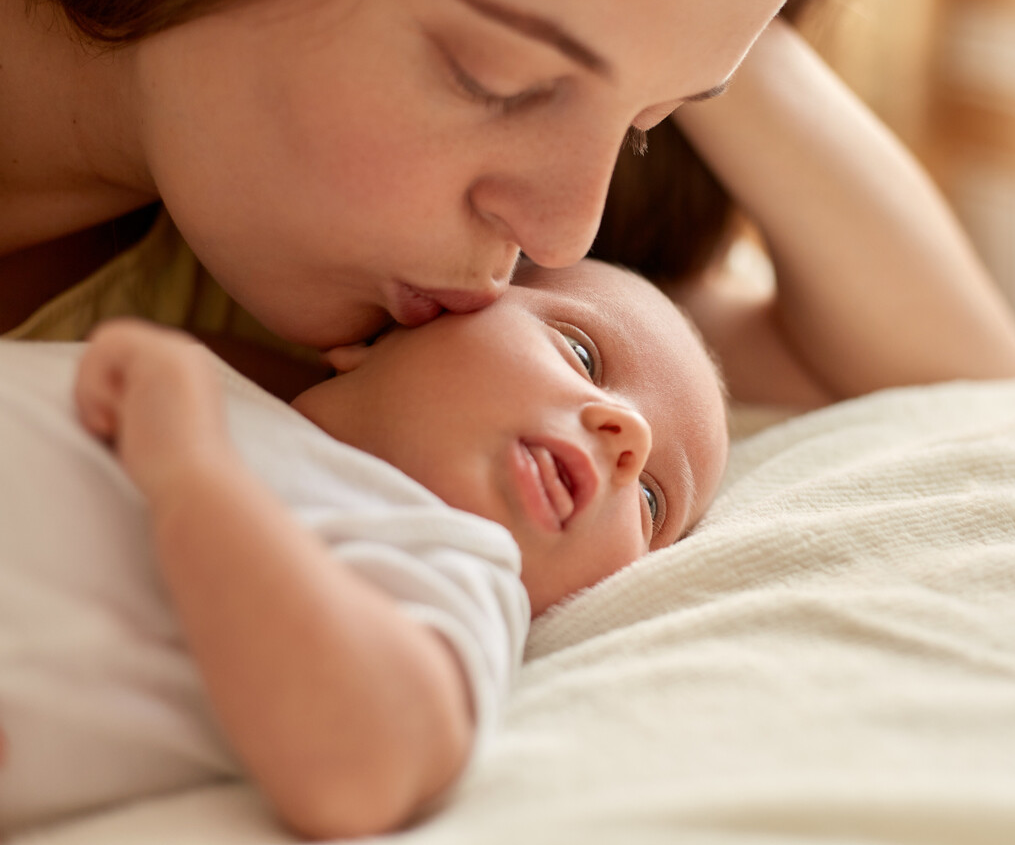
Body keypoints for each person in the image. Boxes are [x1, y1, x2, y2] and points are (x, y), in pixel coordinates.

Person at [2, 0, 1015, 409]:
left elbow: (950, 374)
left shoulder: (331, 299)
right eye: (500, 77)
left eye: (646, 123)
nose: (561, 235)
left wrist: (698, 10)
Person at [0, 258, 729, 840]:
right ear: (394, 325)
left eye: (653, 502)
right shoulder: (217, 378)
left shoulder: (457, 571)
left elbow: (362, 764)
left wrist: (192, 472)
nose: (629, 436)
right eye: (582, 352)